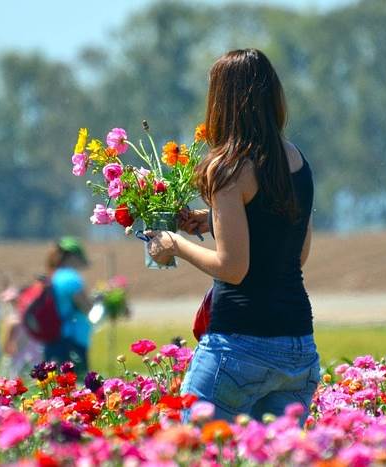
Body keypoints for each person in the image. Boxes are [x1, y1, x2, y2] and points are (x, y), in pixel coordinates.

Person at [145, 49, 319, 423]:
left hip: (239, 346)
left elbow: (233, 267)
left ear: (222, 103)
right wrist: (213, 221)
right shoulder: (297, 162)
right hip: (298, 348)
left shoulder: (228, 166)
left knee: (188, 450)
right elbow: (296, 251)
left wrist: (175, 243)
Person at [45, 236, 93, 377]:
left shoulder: (54, 275)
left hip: (54, 337)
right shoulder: (71, 278)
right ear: (71, 256)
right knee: (76, 385)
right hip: (72, 339)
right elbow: (86, 307)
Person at [0, 286, 43, 378]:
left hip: (19, 359)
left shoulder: (12, 320)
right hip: (35, 355)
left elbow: (6, 347)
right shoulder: (33, 315)